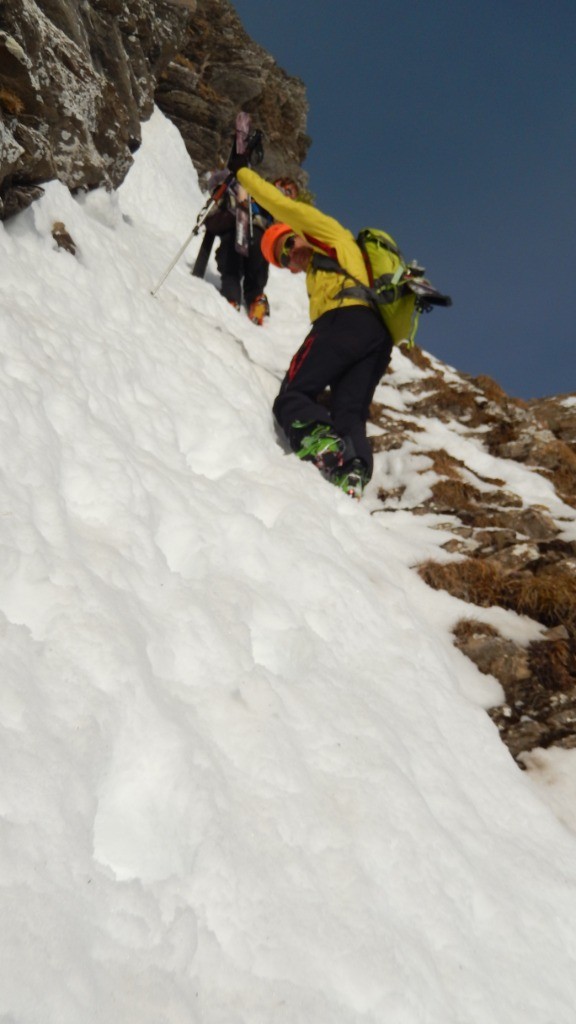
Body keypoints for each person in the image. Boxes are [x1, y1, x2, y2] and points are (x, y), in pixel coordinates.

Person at [230, 160, 393, 499]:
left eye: (287, 246)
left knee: (293, 395)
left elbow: (282, 205)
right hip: (376, 337)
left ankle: (322, 441)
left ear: (297, 232)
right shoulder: (326, 268)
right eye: (282, 260)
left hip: (344, 319)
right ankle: (353, 471)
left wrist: (241, 174)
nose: (291, 260)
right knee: (349, 411)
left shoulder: (328, 234)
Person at [204, 170, 272, 325]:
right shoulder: (231, 184)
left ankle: (243, 297)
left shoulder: (256, 198)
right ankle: (247, 297)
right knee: (236, 265)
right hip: (241, 228)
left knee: (243, 266)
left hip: (248, 230)